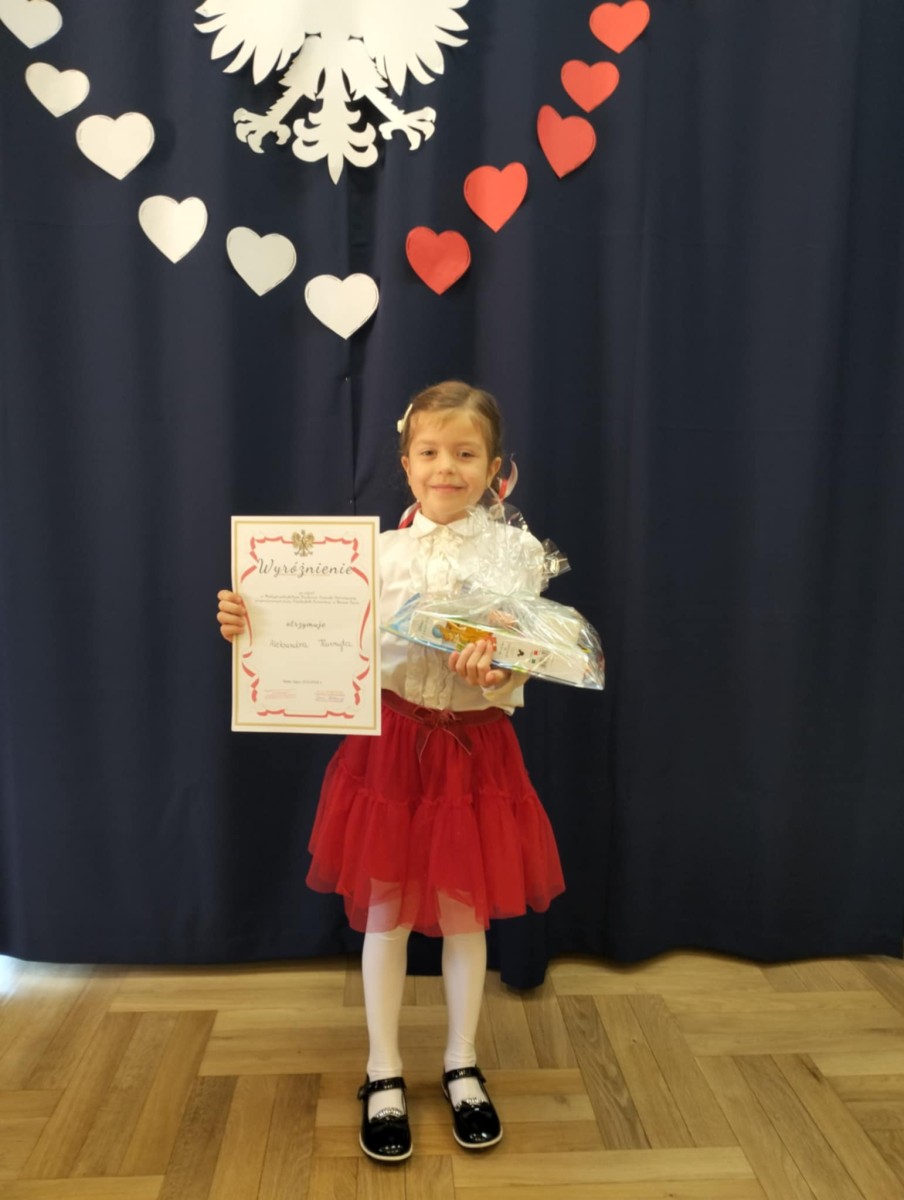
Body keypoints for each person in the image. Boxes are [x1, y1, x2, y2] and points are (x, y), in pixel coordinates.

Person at [217, 380, 565, 1163]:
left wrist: (500, 673)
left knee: (467, 916)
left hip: (474, 755)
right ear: (405, 464)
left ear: (494, 468)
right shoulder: (369, 556)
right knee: (386, 915)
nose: (447, 468)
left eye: (466, 454)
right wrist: (252, 620)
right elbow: (316, 638)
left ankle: (462, 1064)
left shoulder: (516, 555)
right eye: (430, 452)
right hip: (391, 753)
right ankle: (383, 1070)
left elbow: (525, 661)